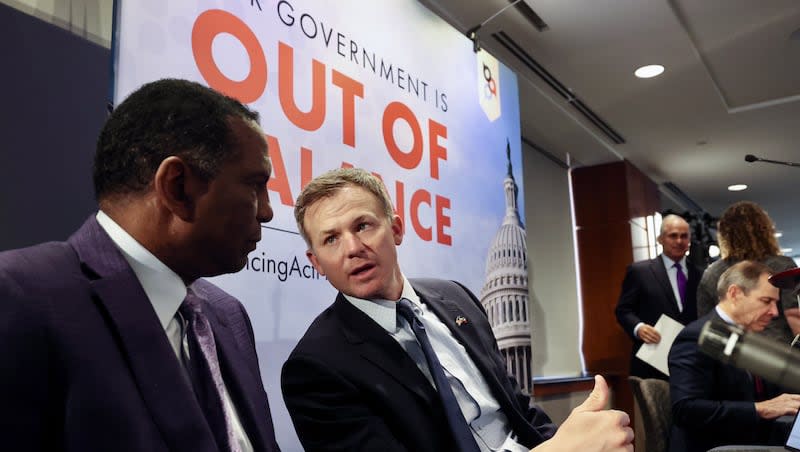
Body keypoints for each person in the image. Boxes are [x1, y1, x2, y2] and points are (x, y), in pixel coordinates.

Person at [0, 79, 281, 452]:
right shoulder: (21, 299)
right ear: (177, 186)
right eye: (254, 186)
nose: (267, 210)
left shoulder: (227, 316)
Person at [281, 167, 633, 452]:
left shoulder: (456, 297)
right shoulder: (315, 367)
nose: (353, 248)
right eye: (331, 239)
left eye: (363, 225)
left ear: (397, 229)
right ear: (316, 263)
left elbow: (518, 409)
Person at [668, 260, 800, 452]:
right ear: (735, 294)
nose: (774, 312)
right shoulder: (696, 337)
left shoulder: (748, 336)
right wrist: (761, 409)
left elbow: (774, 390)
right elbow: (685, 410)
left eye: (776, 303)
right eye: (766, 301)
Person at [696, 201, 799, 342]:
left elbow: (706, 322)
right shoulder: (783, 266)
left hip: (731, 353)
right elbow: (794, 316)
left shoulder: (712, 273)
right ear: (764, 230)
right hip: (778, 352)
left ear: (725, 236)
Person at [615, 214, 702, 379]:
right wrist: (638, 328)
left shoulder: (701, 275)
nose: (679, 241)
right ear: (660, 239)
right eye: (673, 236)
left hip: (691, 363)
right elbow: (623, 310)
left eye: (684, 236)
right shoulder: (640, 272)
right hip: (652, 362)